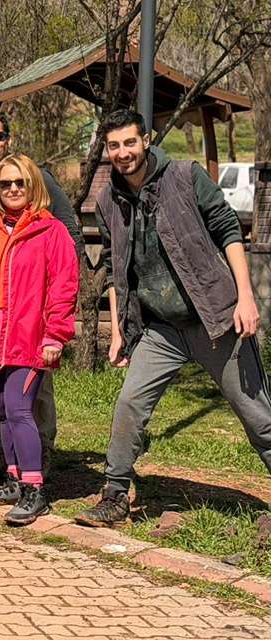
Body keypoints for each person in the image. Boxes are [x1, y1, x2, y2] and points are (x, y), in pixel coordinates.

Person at [76, 110, 271, 527]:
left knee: (259, 419)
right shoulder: (109, 200)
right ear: (106, 150)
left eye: (130, 142)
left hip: (215, 319)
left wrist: (246, 298)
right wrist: (117, 333)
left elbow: (228, 230)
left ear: (145, 140)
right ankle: (114, 494)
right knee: (130, 404)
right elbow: (114, 267)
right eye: (114, 146)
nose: (123, 152)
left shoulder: (184, 175)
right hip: (160, 328)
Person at [0, 153, 78, 527]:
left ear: (33, 185)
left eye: (20, 182)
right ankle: (13, 477)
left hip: (28, 339)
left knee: (22, 411)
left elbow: (64, 288)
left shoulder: (51, 233)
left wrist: (56, 334)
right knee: (4, 411)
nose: (13, 189)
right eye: (5, 184)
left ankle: (35, 488)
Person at [0, 112, 83, 480]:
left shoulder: (36, 181)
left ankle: (39, 460)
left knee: (30, 400)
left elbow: (67, 240)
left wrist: (55, 317)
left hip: (32, 319)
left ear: (7, 139)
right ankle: (4, 462)